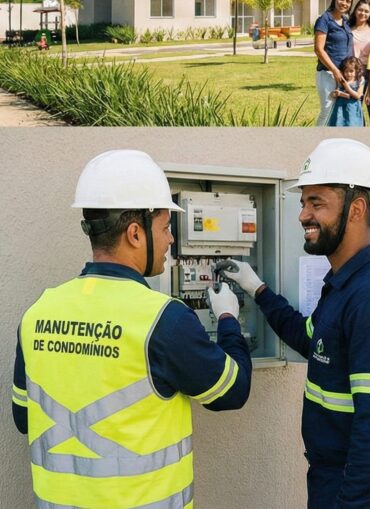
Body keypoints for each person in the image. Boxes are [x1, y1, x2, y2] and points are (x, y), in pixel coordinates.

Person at [12, 149, 250, 507]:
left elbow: (24, 417)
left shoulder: (38, 313)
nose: (171, 240)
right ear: (136, 234)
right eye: (166, 227)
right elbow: (232, 391)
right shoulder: (164, 320)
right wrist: (228, 317)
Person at [220, 139, 370, 509]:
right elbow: (310, 340)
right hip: (335, 477)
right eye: (302, 203)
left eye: (317, 203)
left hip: (362, 488)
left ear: (356, 209)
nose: (303, 215)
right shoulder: (344, 285)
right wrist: (256, 289)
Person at [315, 0, 358, 126]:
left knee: (341, 111)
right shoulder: (324, 19)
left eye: (348, 1)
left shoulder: (345, 21)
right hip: (328, 73)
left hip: (345, 75)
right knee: (327, 110)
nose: (344, 3)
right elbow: (318, 49)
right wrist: (335, 70)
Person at [349, 0, 370, 124]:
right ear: (355, 10)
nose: (363, 13)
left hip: (369, 71)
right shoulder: (348, 28)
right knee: (355, 107)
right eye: (360, 10)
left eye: (366, 11)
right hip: (352, 73)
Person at [328, 56, 367, 127]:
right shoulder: (341, 80)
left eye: (351, 71)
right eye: (346, 71)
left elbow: (358, 96)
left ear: (357, 70)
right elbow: (333, 94)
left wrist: (347, 88)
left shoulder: (360, 80)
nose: (348, 74)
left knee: (352, 124)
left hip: (353, 109)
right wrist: (337, 93)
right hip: (340, 108)